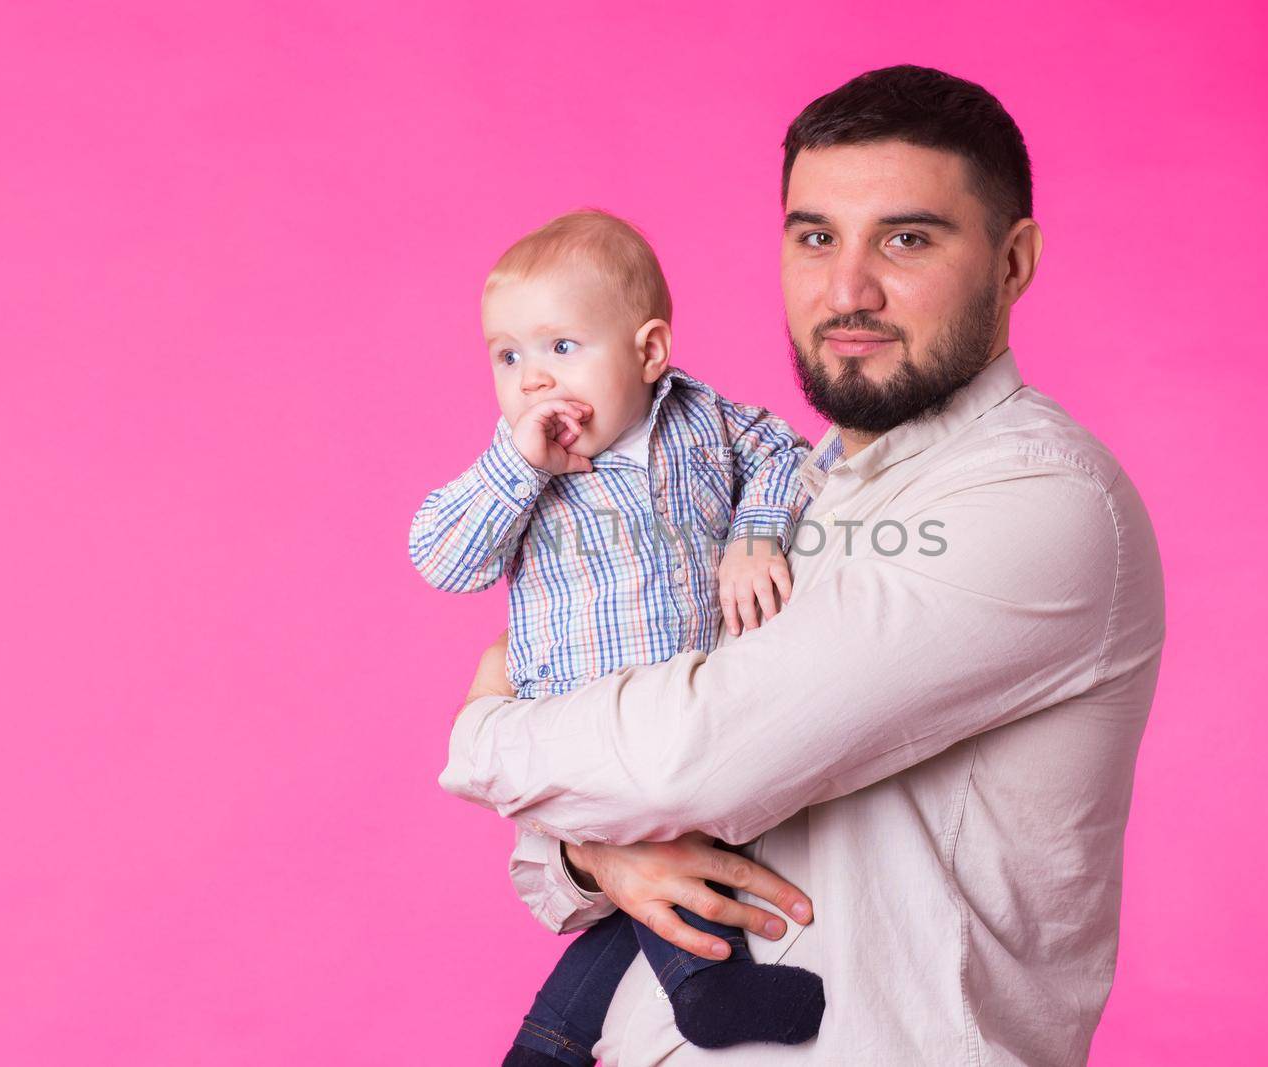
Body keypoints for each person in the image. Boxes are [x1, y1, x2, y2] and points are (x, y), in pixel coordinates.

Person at [444, 65, 1166, 1065]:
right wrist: (591, 847)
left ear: (1013, 260)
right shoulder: (778, 498)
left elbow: (685, 756)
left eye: (907, 238)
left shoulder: (1037, 499)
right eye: (815, 236)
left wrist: (489, 735)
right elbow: (562, 855)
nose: (847, 289)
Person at [409, 208, 828, 1065]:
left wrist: (755, 531)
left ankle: (547, 1042)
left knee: (668, 875)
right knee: (664, 859)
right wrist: (515, 469)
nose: (532, 377)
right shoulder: (519, 469)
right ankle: (708, 986)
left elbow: (787, 455)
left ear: (647, 352)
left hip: (695, 717)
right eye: (508, 354)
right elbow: (441, 558)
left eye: (562, 347)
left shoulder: (706, 423)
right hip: (584, 733)